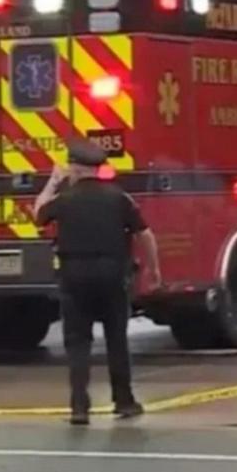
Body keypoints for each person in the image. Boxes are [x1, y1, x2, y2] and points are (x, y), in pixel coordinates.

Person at [32, 137, 161, 426]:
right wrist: (154, 270)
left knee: (77, 343)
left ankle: (79, 408)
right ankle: (124, 402)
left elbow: (38, 215)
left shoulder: (65, 200)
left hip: (74, 277)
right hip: (113, 276)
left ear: (75, 168)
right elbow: (145, 234)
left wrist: (53, 182)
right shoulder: (118, 198)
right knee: (117, 340)